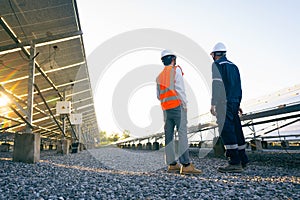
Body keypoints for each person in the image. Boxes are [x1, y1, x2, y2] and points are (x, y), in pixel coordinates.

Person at [156, 49, 202, 174]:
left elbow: (158, 96)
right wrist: (185, 105)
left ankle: (172, 164)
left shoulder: (159, 76)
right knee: (182, 135)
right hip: (177, 107)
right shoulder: (176, 71)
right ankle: (186, 165)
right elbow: (180, 90)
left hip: (166, 109)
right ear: (173, 59)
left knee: (169, 136)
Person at [210, 42, 249, 173]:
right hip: (234, 101)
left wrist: (213, 103)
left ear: (215, 54)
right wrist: (238, 103)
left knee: (227, 130)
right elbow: (238, 86)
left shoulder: (217, 65)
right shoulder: (234, 66)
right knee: (237, 129)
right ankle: (243, 159)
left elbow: (217, 84)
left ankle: (234, 162)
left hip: (223, 102)